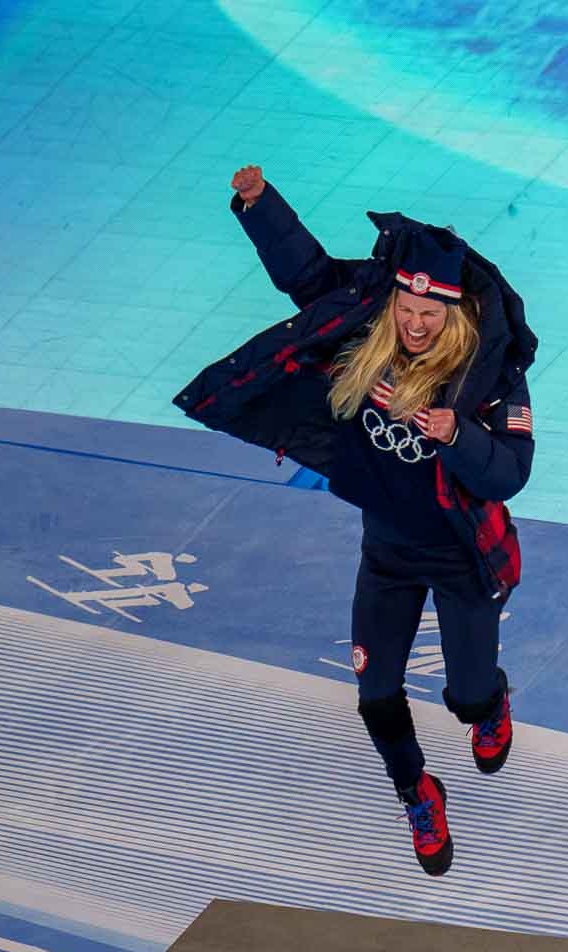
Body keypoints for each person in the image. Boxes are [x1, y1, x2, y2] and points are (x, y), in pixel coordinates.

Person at [173, 165, 537, 876]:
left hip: (462, 560)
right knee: (374, 693)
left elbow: (511, 474)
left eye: (430, 315)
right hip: (388, 554)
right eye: (407, 307)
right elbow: (308, 277)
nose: (414, 322)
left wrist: (456, 436)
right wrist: (259, 206)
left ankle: (487, 704)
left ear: (457, 316)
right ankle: (416, 793)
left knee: (463, 694)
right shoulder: (367, 328)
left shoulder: (491, 381)